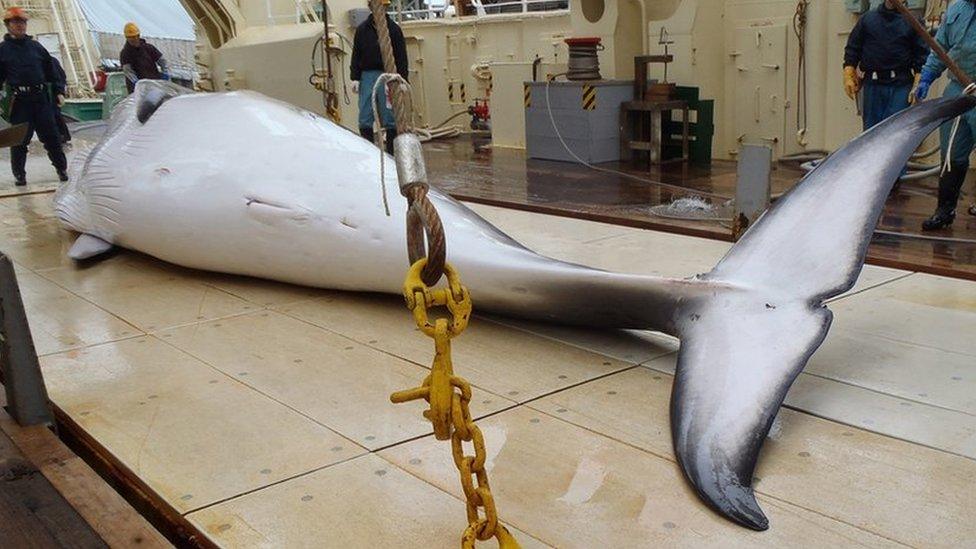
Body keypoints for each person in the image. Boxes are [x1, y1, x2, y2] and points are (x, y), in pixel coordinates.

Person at [914, 0, 976, 229]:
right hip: (957, 91)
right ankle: (945, 210)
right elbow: (939, 48)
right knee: (952, 154)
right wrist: (926, 77)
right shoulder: (956, 10)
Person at [0, 7, 67, 185]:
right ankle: (19, 175)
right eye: (16, 22)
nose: (20, 26)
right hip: (19, 102)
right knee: (19, 141)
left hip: (40, 100)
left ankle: (62, 169)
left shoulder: (36, 47)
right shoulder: (3, 50)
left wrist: (59, 91)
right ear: (8, 25)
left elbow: (51, 70)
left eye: (22, 22)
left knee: (52, 137)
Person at [843, 0, 929, 131]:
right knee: (871, 136)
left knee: (896, 134)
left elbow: (922, 55)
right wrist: (849, 73)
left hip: (900, 87)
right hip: (872, 87)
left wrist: (918, 83)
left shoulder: (913, 22)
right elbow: (853, 49)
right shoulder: (867, 20)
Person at [349, 0, 408, 155]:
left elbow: (401, 56)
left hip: (388, 75)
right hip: (367, 75)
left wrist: (402, 78)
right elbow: (356, 54)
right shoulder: (362, 30)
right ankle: (368, 150)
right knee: (365, 115)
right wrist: (354, 77)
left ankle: (391, 154)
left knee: (390, 116)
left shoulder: (394, 30)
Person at [120, 22, 169, 94]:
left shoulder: (148, 48)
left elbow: (162, 61)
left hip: (154, 85)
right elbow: (128, 72)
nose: (135, 39)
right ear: (127, 38)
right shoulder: (125, 53)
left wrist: (165, 72)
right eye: (132, 37)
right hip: (138, 90)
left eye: (137, 36)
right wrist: (137, 84)